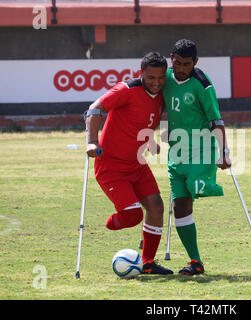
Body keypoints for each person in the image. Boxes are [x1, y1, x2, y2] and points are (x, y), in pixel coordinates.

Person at [85, 52, 173, 275]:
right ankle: (109, 223)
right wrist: (92, 142)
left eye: (160, 78)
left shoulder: (163, 93)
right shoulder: (127, 90)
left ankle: (149, 263)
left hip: (137, 163)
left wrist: (151, 140)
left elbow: (143, 120)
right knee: (133, 216)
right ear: (140, 74)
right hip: (111, 167)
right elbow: (95, 109)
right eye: (151, 77)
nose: (156, 82)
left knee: (156, 207)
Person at [162, 39, 232, 275]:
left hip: (201, 149)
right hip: (176, 152)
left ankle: (209, 185)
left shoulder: (203, 84)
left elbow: (216, 121)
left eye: (187, 64)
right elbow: (160, 106)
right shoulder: (166, 77)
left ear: (196, 62)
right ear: (171, 58)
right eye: (177, 63)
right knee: (179, 205)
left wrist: (224, 152)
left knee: (196, 191)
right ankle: (196, 262)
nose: (181, 68)